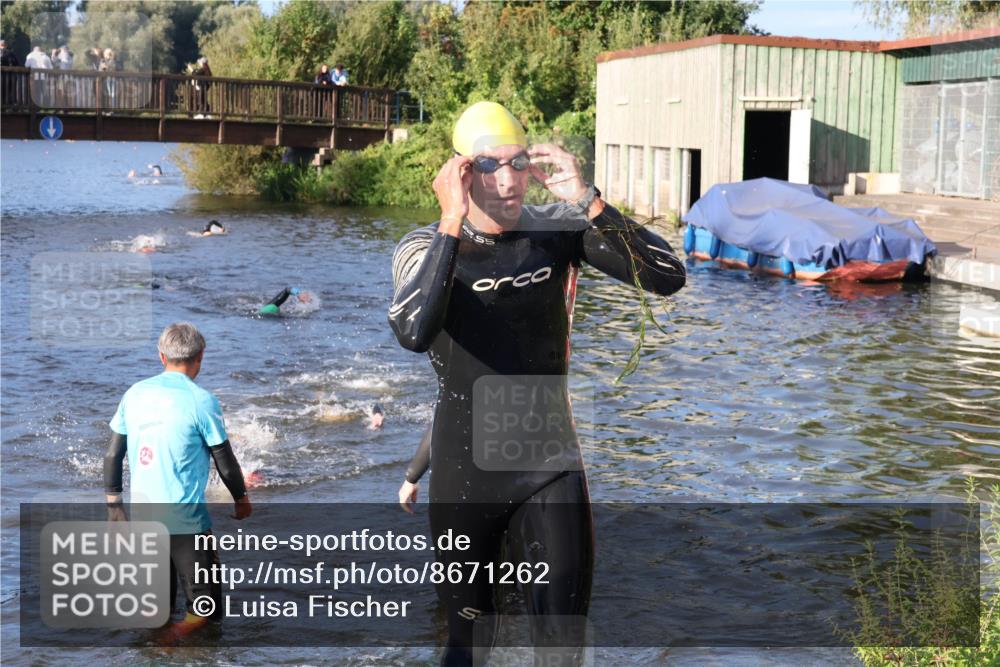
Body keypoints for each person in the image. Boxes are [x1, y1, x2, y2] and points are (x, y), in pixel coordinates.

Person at [388, 101, 686, 666]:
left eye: (518, 162)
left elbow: (668, 277)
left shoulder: (556, 232)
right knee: (468, 646)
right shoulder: (423, 247)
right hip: (464, 477)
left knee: (562, 646)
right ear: (459, 172)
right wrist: (452, 221)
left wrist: (589, 201)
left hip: (549, 465)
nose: (507, 181)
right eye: (488, 165)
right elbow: (413, 331)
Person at [104, 323, 252, 640]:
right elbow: (224, 460)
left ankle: (154, 649)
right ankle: (170, 642)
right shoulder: (202, 400)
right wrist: (241, 499)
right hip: (187, 523)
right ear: (201, 357)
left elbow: (113, 455)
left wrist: (114, 507)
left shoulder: (134, 394)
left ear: (161, 356)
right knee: (206, 611)